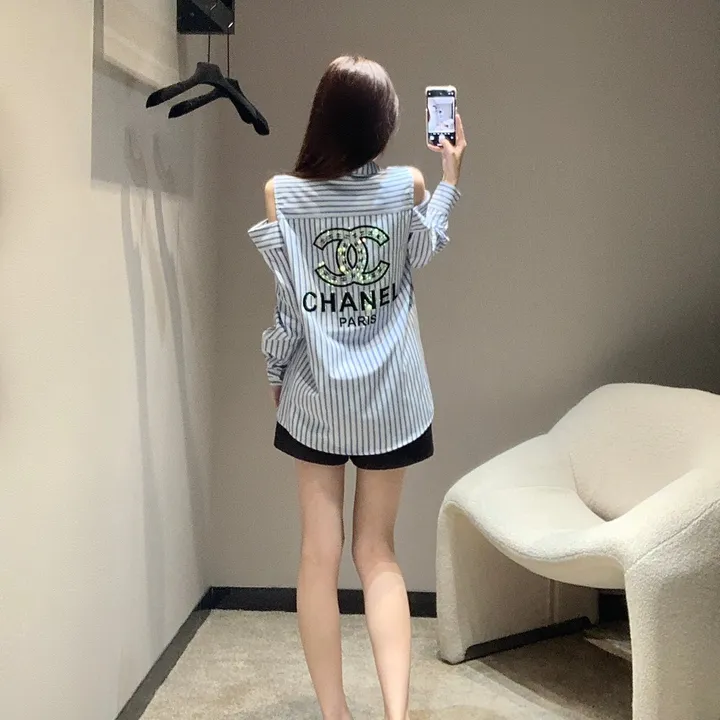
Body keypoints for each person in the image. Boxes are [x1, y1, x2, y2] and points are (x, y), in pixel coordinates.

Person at [248, 55, 467, 720]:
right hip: (392, 403)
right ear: (381, 125)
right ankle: (397, 716)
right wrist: (450, 176)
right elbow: (424, 249)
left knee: (319, 555)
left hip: (316, 401)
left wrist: (275, 373)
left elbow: (289, 314)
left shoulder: (283, 195)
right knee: (378, 553)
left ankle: (335, 715)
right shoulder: (406, 186)